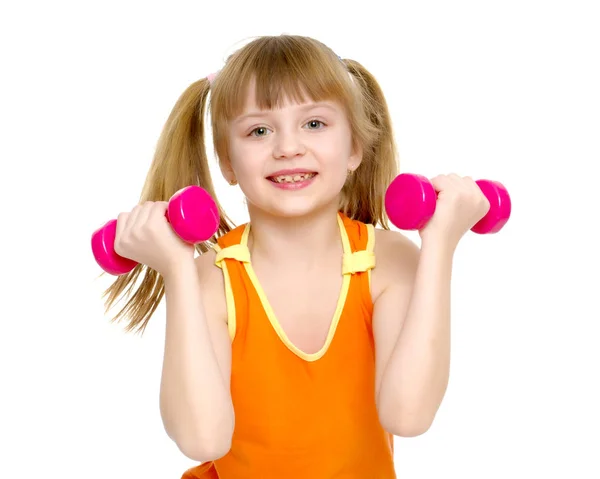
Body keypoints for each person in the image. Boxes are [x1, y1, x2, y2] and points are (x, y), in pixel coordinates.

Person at [101, 34, 491, 479]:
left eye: (314, 124)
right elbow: (202, 440)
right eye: (259, 130)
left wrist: (439, 245)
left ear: (354, 149)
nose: (288, 147)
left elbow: (408, 415)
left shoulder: (388, 261)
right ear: (227, 162)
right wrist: (176, 269)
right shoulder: (213, 278)